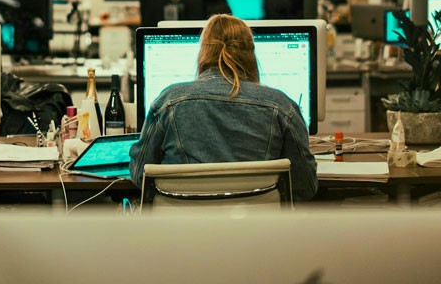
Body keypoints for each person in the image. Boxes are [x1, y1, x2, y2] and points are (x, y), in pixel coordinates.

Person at [128, 14, 317, 201]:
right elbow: (306, 186)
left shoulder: (168, 102)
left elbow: (139, 175)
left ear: (203, 52)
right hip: (257, 228)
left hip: (186, 228)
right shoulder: (282, 107)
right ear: (250, 54)